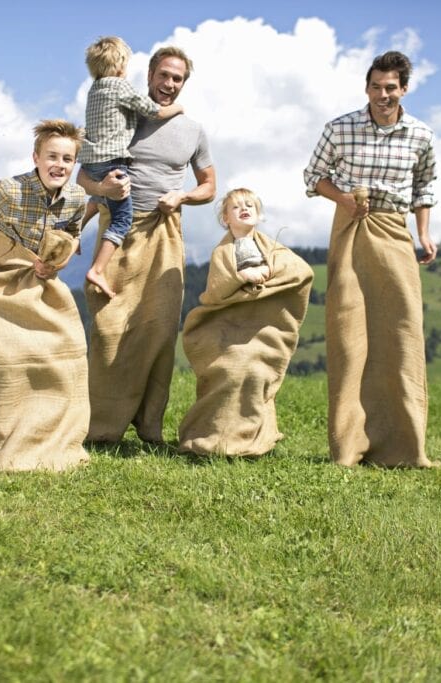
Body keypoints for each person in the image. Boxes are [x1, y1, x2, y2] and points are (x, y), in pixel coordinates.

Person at [303, 50, 440, 468]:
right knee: (349, 335)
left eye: (391, 88)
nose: (383, 94)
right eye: (377, 87)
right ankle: (348, 448)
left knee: (402, 333)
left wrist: (423, 234)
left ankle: (404, 448)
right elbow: (312, 177)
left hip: (395, 231)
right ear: (367, 88)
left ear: (404, 89)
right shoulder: (340, 128)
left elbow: (425, 187)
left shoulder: (421, 135)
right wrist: (343, 198)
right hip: (350, 227)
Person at [78, 46, 216, 444]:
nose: (169, 85)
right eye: (164, 76)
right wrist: (101, 189)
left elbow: (210, 186)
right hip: (117, 232)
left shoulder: (193, 130)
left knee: (158, 331)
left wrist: (183, 197)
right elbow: (84, 176)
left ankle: (150, 426)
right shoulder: (119, 114)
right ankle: (101, 426)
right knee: (110, 328)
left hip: (165, 232)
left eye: (177, 79)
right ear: (150, 74)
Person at [0, 120, 90, 472]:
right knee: (8, 361)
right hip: (2, 278)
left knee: (70, 354)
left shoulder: (78, 198)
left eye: (67, 159)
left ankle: (56, 441)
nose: (59, 165)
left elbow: (73, 237)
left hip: (43, 282)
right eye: (52, 156)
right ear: (36, 157)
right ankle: (1, 442)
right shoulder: (9, 191)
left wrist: (57, 264)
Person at [178, 188, 313, 456]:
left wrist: (268, 273)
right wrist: (242, 278)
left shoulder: (273, 248)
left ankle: (257, 440)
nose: (244, 209)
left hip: (262, 327)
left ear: (259, 214)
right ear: (226, 219)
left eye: (250, 205)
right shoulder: (223, 252)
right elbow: (217, 290)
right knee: (231, 369)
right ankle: (212, 434)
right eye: (236, 206)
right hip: (228, 327)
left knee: (257, 372)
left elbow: (300, 270)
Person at [80, 36, 184, 299]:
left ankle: (73, 230)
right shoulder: (119, 86)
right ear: (120, 66)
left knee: (98, 196)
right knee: (121, 218)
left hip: (92, 159)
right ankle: (98, 269)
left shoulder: (95, 89)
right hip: (113, 159)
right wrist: (179, 108)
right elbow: (154, 111)